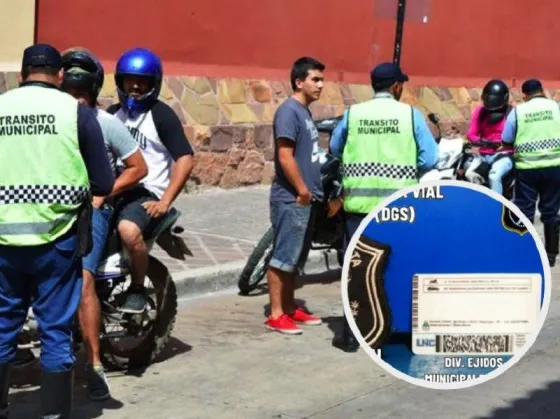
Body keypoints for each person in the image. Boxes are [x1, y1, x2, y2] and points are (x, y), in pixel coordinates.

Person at [0, 44, 114, 418]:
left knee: (3, 326)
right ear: (60, 76)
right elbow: (102, 181)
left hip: (3, 242)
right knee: (54, 331)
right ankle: (54, 414)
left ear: (21, 75)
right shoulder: (75, 113)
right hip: (57, 240)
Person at [328, 61, 438, 351]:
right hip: (399, 207)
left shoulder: (353, 114)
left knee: (357, 269)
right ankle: (402, 333)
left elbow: (335, 149)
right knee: (402, 267)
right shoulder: (410, 115)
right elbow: (429, 158)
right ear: (397, 86)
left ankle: (353, 336)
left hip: (359, 207)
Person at [60, 47, 148, 401]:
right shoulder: (52, 122)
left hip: (94, 209)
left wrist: (102, 194)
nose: (76, 102)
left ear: (94, 93)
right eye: (70, 94)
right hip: (52, 208)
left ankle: (94, 366)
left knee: (83, 280)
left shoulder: (106, 123)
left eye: (82, 95)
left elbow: (138, 167)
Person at [106, 47, 195, 313]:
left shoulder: (161, 114)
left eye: (142, 81)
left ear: (152, 84)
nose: (134, 86)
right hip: (114, 188)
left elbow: (185, 158)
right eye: (129, 80)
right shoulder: (111, 114)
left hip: (148, 193)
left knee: (128, 230)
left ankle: (137, 288)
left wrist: (165, 201)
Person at [264, 56, 327, 335]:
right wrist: (301, 189)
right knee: (283, 255)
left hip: (306, 198)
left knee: (295, 258)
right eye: (315, 79)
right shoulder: (289, 111)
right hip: (292, 197)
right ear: (299, 82)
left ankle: (289, 307)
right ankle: (276, 314)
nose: (320, 85)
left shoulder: (304, 111)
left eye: (321, 80)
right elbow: (285, 155)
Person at [502, 78, 560, 266]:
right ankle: (550, 255)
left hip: (527, 169)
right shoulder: (555, 107)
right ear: (542, 90)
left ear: (524, 95)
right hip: (554, 167)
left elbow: (506, 138)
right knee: (551, 211)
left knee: (525, 209)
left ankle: (524, 251)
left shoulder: (518, 112)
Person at [464, 79, 514, 195]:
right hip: (483, 154)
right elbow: (471, 134)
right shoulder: (480, 111)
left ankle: (497, 209)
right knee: (468, 175)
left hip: (504, 154)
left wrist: (503, 144)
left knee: (494, 176)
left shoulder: (511, 113)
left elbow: (516, 136)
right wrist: (482, 142)